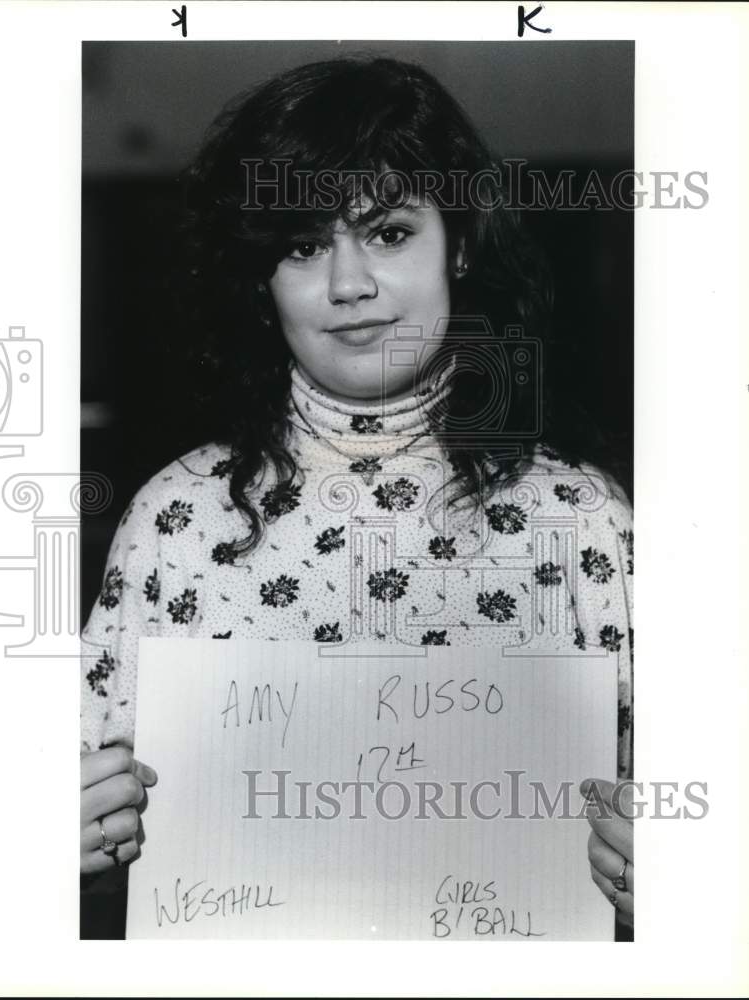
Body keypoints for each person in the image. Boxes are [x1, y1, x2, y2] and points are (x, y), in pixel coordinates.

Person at [80, 56, 634, 932]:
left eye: (387, 232)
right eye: (302, 245)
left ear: (460, 241)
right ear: (261, 283)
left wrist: (680, 872)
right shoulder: (173, 519)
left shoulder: (584, 520)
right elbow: (86, 838)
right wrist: (54, 848)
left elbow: (680, 835)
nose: (348, 285)